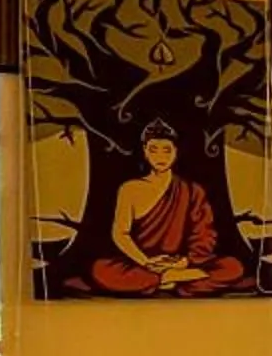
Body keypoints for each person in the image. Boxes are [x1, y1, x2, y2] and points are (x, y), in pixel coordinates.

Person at [87, 122, 250, 294]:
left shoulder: (191, 190)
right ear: (145, 151)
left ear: (175, 152)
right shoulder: (130, 189)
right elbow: (120, 234)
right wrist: (147, 262)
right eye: (153, 150)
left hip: (181, 263)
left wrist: (184, 262)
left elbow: (204, 233)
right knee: (100, 270)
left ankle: (166, 279)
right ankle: (173, 279)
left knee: (233, 267)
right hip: (141, 262)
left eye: (166, 150)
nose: (160, 156)